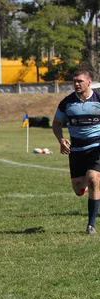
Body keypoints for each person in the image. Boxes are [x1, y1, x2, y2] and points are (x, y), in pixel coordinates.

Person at [52, 67, 100, 234]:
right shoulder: (67, 102)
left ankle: (91, 225)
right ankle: (87, 185)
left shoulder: (99, 99)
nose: (76, 84)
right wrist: (61, 140)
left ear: (89, 81)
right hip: (77, 150)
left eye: (79, 81)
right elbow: (56, 124)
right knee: (78, 189)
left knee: (94, 178)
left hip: (97, 147)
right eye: (74, 81)